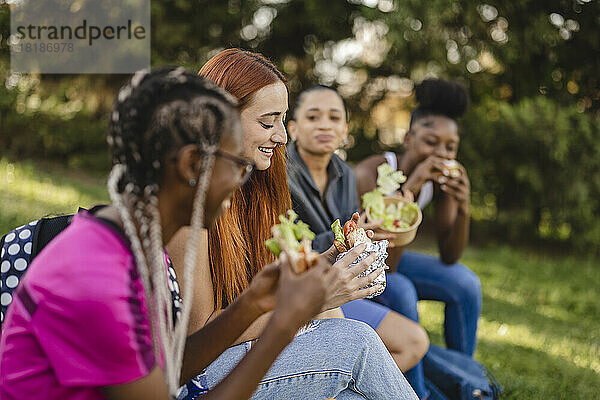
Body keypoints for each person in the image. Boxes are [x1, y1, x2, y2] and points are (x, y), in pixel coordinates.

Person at [0, 67, 336, 400]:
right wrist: (282, 326)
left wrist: (251, 304)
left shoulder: (125, 241)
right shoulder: (95, 279)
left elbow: (166, 372)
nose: (241, 180)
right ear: (192, 165)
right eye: (237, 165)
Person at [173, 49, 418, 400]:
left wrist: (331, 257)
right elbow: (198, 341)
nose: (282, 137)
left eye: (281, 120)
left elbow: (256, 289)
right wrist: (313, 303)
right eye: (267, 122)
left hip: (241, 352)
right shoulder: (190, 204)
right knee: (357, 343)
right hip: (200, 374)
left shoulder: (251, 189)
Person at [285, 84, 430, 379]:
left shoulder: (344, 173)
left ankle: (410, 388)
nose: (325, 124)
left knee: (400, 288)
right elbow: (286, 245)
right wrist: (345, 237)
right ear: (293, 128)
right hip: (307, 289)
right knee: (409, 330)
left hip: (345, 276)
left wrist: (377, 226)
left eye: (334, 118)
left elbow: (353, 232)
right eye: (313, 117)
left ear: (345, 130)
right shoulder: (280, 174)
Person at [355, 78, 482, 366]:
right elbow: (387, 265)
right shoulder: (370, 173)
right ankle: (415, 390)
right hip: (364, 266)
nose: (441, 153)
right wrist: (410, 189)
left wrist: (463, 204)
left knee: (465, 282)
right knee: (401, 288)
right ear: (408, 140)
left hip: (391, 258)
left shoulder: (437, 182)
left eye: (451, 147)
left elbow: (450, 255)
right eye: (430, 142)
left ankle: (463, 374)